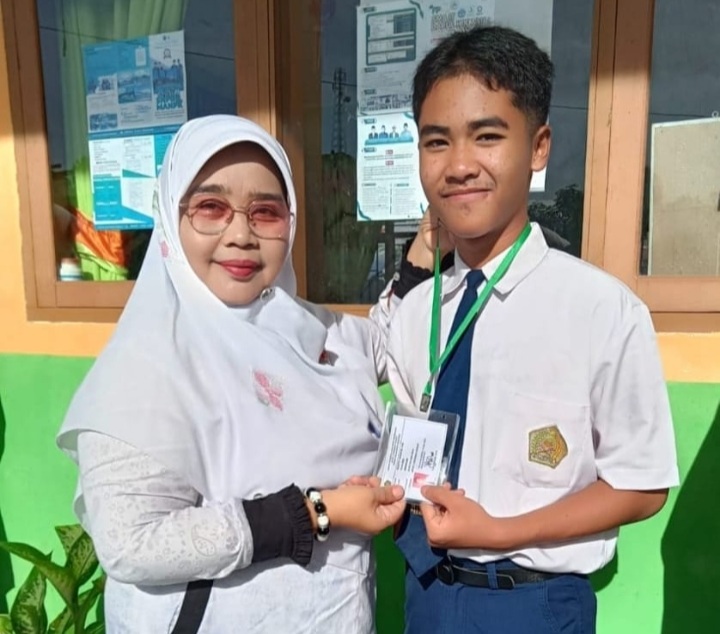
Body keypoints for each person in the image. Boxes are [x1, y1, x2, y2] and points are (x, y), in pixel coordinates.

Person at [57, 115, 412, 633]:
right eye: (211, 208)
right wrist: (316, 510)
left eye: (265, 212)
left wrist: (424, 256)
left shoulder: (304, 327)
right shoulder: (147, 363)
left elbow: (385, 341)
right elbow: (133, 543)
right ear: (171, 216)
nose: (241, 235)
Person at [382, 25, 679, 633]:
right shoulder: (414, 314)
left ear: (539, 147)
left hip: (534, 604)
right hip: (427, 594)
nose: (459, 165)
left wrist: (499, 532)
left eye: (487, 136)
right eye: (436, 142)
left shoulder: (601, 310)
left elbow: (642, 486)